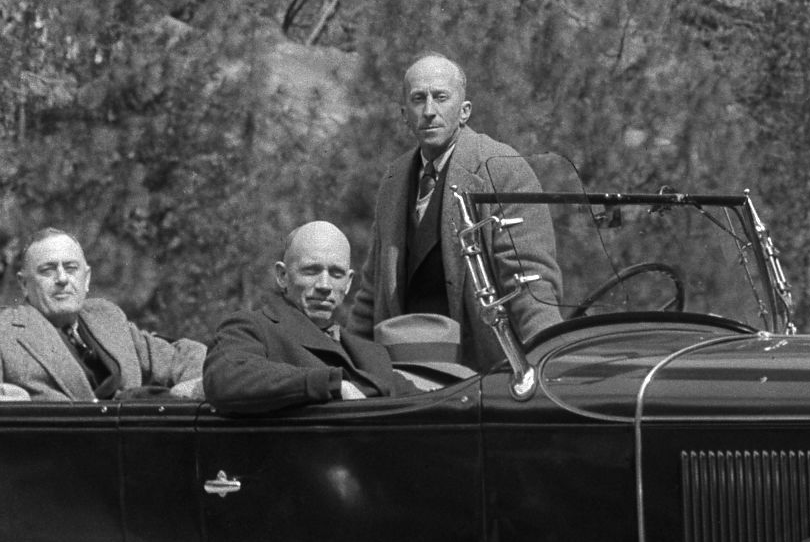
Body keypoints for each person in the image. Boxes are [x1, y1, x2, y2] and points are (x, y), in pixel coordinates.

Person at [364, 54, 562, 368]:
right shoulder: (394, 179)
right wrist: (352, 368)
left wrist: (549, 362)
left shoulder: (501, 169)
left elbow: (530, 285)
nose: (429, 111)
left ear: (465, 110)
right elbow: (372, 291)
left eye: (441, 97)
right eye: (418, 99)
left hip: (479, 373)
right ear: (404, 114)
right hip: (402, 372)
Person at [0, 230, 205, 402]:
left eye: (71, 268)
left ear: (86, 279)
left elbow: (181, 356)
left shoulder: (106, 316)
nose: (62, 279)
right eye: (48, 270)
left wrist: (188, 391)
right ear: (24, 284)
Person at [204, 222, 412, 413]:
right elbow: (226, 377)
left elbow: (420, 406)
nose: (325, 285)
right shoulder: (252, 327)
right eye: (311, 271)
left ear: (348, 283)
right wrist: (332, 385)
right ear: (282, 276)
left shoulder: (371, 354)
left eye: (336, 274)